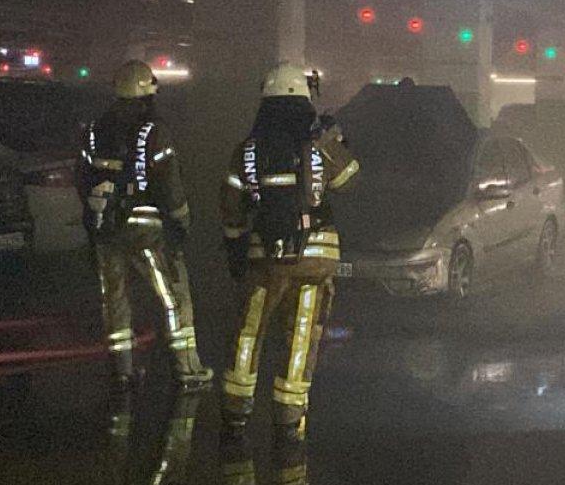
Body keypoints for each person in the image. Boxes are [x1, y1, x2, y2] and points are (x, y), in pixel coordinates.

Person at [219, 63, 360, 441]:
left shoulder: (248, 150)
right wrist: (333, 140)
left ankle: (235, 410)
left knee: (249, 331)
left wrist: (236, 249)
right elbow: (349, 180)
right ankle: (289, 414)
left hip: (264, 258)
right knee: (301, 335)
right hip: (315, 259)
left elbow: (232, 208)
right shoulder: (317, 144)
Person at [77, 60, 213, 389]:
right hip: (146, 229)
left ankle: (122, 371)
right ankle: (187, 370)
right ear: (148, 92)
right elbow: (169, 182)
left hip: (105, 227)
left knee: (115, 299)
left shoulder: (94, 131)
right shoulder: (153, 131)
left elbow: (82, 178)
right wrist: (181, 220)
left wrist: (94, 217)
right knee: (173, 297)